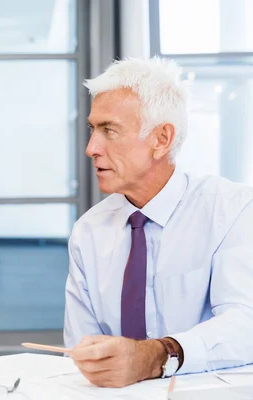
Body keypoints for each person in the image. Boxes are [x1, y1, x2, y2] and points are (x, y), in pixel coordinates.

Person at [64, 57, 253, 388]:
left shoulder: (231, 210)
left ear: (162, 139)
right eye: (93, 130)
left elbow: (245, 324)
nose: (91, 148)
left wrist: (158, 356)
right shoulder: (88, 231)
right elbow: (80, 353)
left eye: (109, 130)